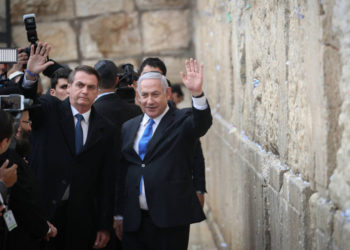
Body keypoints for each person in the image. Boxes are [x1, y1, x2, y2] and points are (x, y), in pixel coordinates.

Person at [24, 42, 116, 249]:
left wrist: (103, 225)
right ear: (70, 86)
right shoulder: (49, 111)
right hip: (45, 215)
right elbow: (26, 103)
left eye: (91, 87)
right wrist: (30, 76)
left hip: (82, 221)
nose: (84, 91)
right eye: (80, 85)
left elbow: (106, 180)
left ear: (98, 92)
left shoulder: (106, 128)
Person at [116, 59, 212, 250]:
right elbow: (122, 171)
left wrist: (197, 93)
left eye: (155, 94)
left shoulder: (182, 120)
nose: (149, 101)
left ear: (167, 94)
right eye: (144, 95)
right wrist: (118, 214)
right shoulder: (128, 127)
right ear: (138, 96)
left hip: (170, 220)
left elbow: (202, 123)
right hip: (134, 221)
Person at [139, 57, 207, 207]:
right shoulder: (129, 124)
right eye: (146, 75)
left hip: (171, 207)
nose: (151, 80)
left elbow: (196, 151)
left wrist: (199, 188)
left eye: (156, 76)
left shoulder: (181, 120)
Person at [93, 59, 142, 249]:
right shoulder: (135, 111)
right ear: (116, 80)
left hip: (99, 198)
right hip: (131, 194)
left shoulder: (91, 112)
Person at [0, 109, 57, 249]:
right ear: (4, 141)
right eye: (25, 122)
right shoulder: (8, 164)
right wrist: (44, 229)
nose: (29, 128)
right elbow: (25, 202)